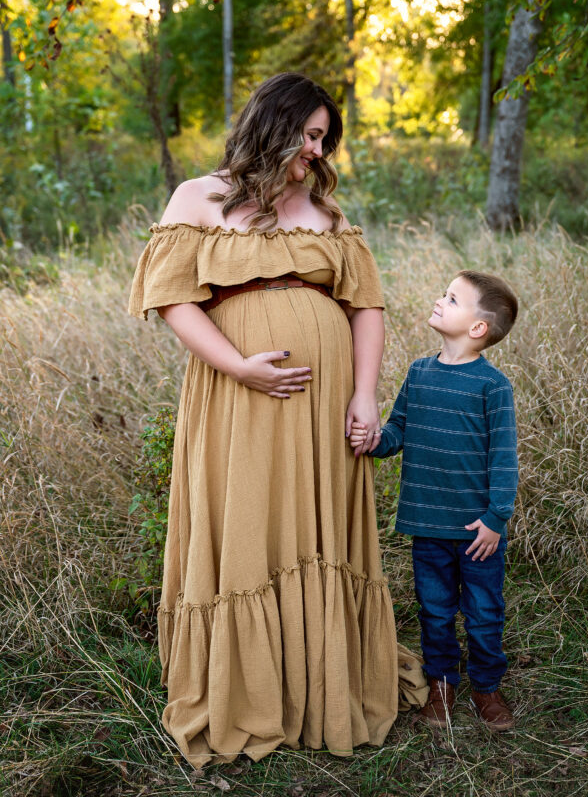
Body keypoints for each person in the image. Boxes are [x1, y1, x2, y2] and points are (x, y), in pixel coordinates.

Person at [128, 72, 426, 769]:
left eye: (325, 140)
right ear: (274, 124)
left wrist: (363, 396)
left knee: (313, 527)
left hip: (324, 407)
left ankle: (323, 685)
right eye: (310, 135)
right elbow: (175, 302)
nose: (318, 152)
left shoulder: (325, 212)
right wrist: (239, 367)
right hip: (238, 397)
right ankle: (249, 691)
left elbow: (366, 307)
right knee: (249, 522)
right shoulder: (199, 197)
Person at [350, 270, 519, 732]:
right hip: (427, 524)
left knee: (484, 613)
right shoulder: (419, 373)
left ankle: (486, 687)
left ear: (477, 328)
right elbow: (398, 431)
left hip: (476, 531)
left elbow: (504, 459)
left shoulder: (492, 386)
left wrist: (495, 518)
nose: (439, 300)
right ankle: (442, 685)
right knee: (435, 610)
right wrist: (373, 439)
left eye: (452, 298)